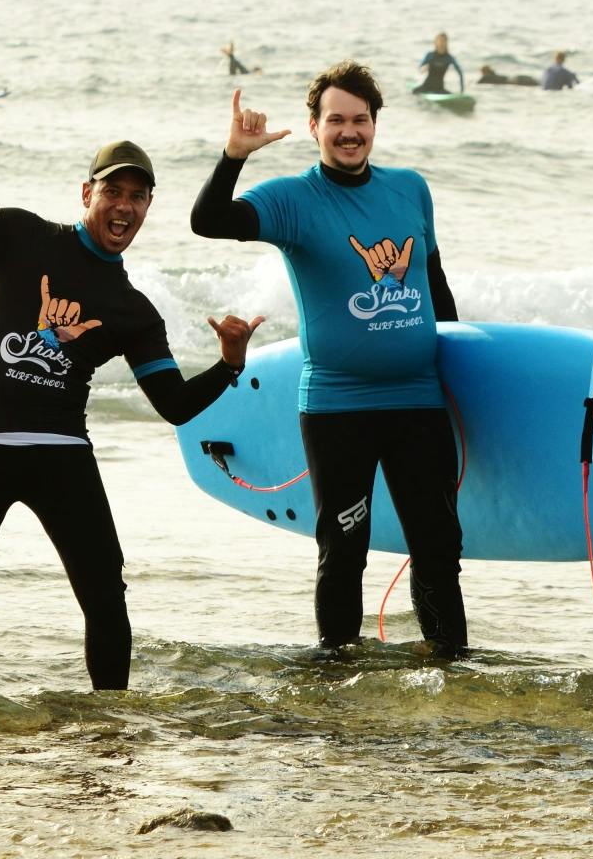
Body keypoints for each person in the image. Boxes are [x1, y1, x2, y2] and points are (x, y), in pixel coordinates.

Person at [0, 127, 261, 694]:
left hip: (61, 453)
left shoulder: (134, 311)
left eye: (137, 197)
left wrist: (229, 366)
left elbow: (175, 406)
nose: (124, 206)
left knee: (107, 598)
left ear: (148, 208)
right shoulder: (17, 234)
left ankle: (109, 724)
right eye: (114, 192)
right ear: (86, 193)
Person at [192, 67, 468, 657]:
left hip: (419, 400)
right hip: (339, 405)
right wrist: (233, 156)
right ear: (314, 126)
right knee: (345, 547)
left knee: (438, 546)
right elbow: (208, 221)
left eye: (360, 120)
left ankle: (450, 669)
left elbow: (436, 291)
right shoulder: (293, 200)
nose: (349, 132)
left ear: (374, 124)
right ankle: (336, 675)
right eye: (336, 120)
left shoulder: (411, 189)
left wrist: (465, 378)